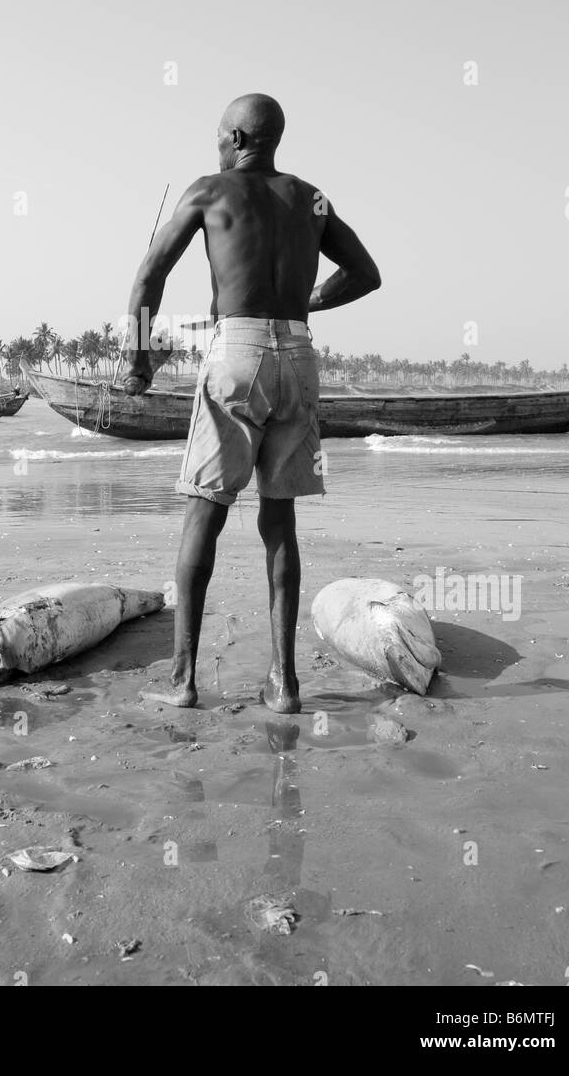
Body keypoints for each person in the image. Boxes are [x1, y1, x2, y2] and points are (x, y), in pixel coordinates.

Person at [123, 93, 381, 712]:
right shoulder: (310, 198)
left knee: (205, 512)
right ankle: (284, 685)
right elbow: (366, 273)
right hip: (298, 355)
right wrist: (308, 301)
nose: (215, 146)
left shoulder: (209, 191)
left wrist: (136, 359)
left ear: (238, 137)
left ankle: (184, 682)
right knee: (280, 518)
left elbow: (147, 277)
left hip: (236, 350)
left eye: (218, 136)